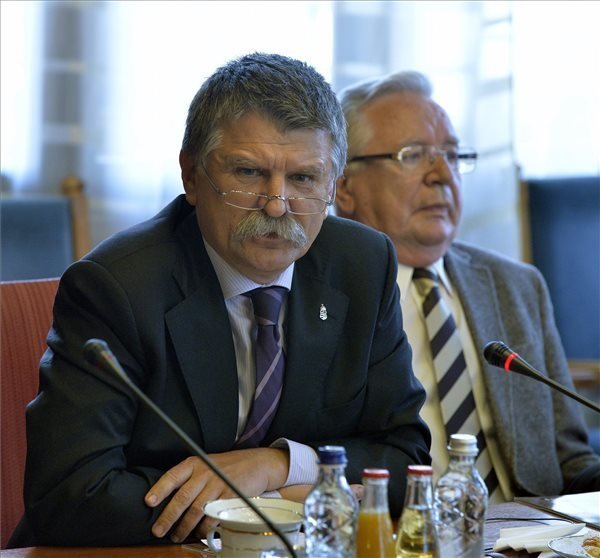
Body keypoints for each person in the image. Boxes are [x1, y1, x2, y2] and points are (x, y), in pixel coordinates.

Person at [10, 54, 431, 548]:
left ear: (333, 184)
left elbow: (408, 459)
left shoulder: (362, 265)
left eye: (303, 178)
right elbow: (69, 495)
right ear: (191, 175)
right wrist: (266, 503)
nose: (277, 205)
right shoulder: (117, 286)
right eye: (248, 173)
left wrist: (276, 465)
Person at [335, 70, 600, 502]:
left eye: (452, 155)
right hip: (396, 527)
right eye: (413, 155)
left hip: (530, 528)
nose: (443, 174)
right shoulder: (315, 296)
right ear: (344, 186)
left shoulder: (517, 286)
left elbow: (569, 462)